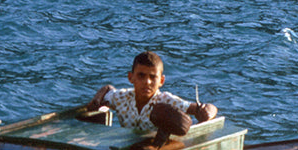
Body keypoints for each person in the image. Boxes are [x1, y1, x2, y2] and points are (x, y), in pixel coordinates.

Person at [86, 50, 217, 136]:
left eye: (153, 77)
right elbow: (108, 89)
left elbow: (206, 107)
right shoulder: (122, 97)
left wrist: (207, 113)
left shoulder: (167, 100)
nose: (147, 82)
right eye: (141, 76)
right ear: (131, 78)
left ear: (161, 81)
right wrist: (97, 99)